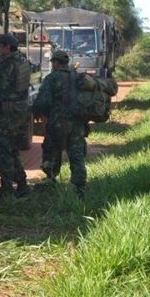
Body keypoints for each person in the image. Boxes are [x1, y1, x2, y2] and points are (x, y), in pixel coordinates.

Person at [0, 33, 31, 202]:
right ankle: (22, 186)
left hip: (9, 113)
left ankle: (7, 192)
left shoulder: (7, 65)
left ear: (7, 47)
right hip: (20, 111)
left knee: (1, 152)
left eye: (0, 46)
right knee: (12, 149)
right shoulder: (22, 61)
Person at [32, 50, 87, 198]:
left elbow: (44, 101)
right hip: (78, 123)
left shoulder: (52, 78)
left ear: (56, 62)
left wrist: (35, 111)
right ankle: (79, 190)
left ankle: (51, 182)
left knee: (51, 151)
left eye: (53, 62)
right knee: (77, 156)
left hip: (58, 123)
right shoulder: (78, 77)